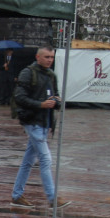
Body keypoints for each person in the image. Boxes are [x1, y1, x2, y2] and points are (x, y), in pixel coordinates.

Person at [10, 45, 69, 209]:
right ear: (38, 57)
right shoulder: (28, 73)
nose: (49, 60)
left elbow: (56, 97)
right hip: (32, 122)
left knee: (28, 160)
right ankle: (52, 198)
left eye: (51, 57)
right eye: (46, 57)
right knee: (45, 158)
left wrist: (56, 102)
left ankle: (17, 195)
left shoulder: (51, 75)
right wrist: (41, 104)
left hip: (44, 123)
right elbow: (19, 97)